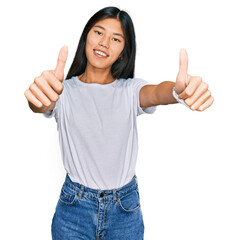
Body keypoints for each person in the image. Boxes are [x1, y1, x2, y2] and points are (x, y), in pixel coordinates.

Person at [24, 6, 214, 240]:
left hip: (124, 210)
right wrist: (38, 98)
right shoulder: (63, 91)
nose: (104, 43)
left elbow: (156, 93)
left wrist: (178, 91)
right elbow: (42, 104)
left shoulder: (129, 90)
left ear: (124, 51)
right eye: (98, 32)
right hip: (74, 210)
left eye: (116, 39)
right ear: (86, 37)